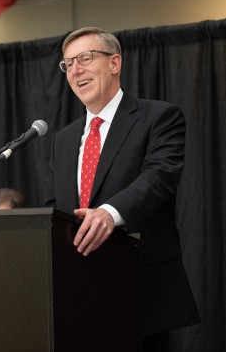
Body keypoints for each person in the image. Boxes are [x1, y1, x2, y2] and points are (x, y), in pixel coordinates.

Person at [45, 27, 199, 351]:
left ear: (114, 63)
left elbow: (158, 177)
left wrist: (109, 214)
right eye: (68, 63)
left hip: (138, 290)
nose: (75, 69)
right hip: (77, 296)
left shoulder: (158, 117)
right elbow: (57, 205)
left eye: (85, 58)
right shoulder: (63, 139)